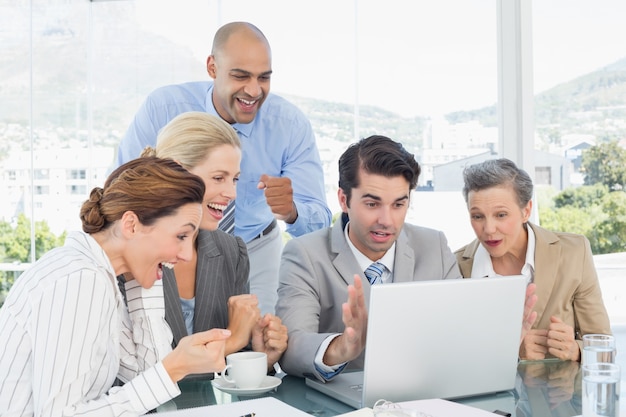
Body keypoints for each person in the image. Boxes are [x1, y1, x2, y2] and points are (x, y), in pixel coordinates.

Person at [116, 21, 331, 315]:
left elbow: (319, 222)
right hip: (175, 247)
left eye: (264, 78)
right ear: (212, 68)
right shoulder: (163, 109)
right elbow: (121, 193)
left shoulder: (290, 126)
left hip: (256, 247)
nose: (254, 90)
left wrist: (291, 211)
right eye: (241, 76)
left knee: (257, 345)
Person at [0, 157, 231, 416]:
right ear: (131, 225)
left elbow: (146, 373)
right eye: (180, 236)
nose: (188, 255)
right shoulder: (80, 280)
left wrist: (141, 280)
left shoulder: (102, 278)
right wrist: (175, 367)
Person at [276, 135, 461, 380]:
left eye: (398, 205)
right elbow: (292, 348)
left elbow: (460, 330)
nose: (386, 220)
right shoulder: (305, 254)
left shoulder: (434, 246)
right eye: (373, 204)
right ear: (344, 200)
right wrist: (342, 347)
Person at [139, 111, 287, 370]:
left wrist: (261, 356)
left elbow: (230, 369)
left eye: (235, 179)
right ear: (178, 172)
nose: (230, 193)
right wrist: (234, 338)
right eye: (218, 178)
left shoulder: (232, 251)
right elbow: (146, 371)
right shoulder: (133, 253)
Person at [455, 158, 611, 361]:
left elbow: (605, 349)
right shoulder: (456, 267)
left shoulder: (574, 253)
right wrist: (512, 352)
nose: (489, 229)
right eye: (477, 216)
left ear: (526, 211)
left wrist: (577, 350)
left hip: (557, 391)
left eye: (501, 215)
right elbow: (452, 356)